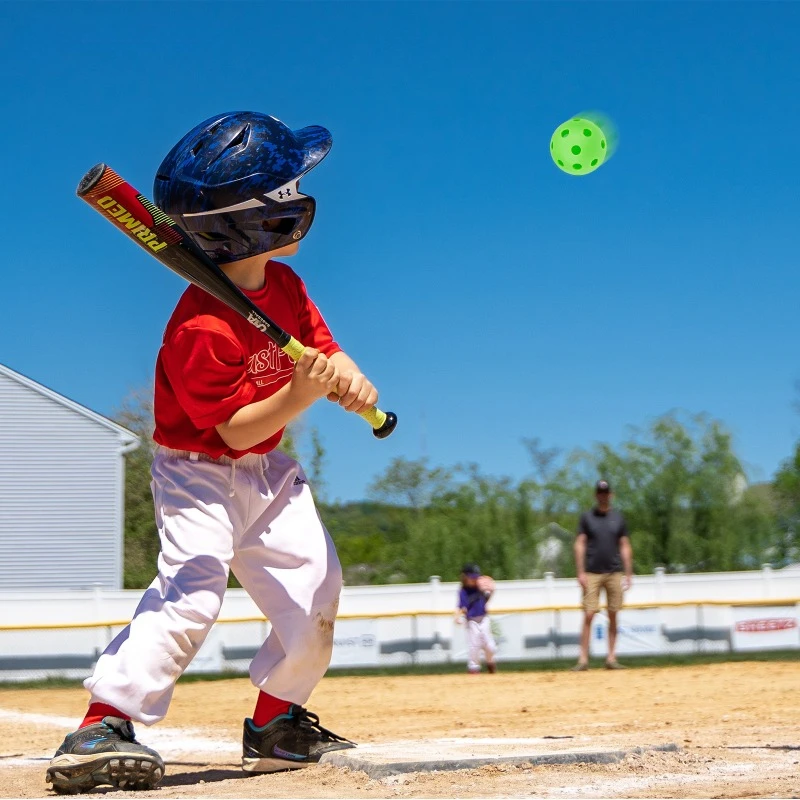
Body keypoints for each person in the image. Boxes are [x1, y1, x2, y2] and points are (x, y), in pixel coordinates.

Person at [46, 112, 381, 793]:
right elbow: (234, 430)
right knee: (194, 590)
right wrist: (301, 395)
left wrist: (345, 372)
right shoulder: (199, 323)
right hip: (196, 474)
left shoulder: (283, 288)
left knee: (317, 588)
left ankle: (276, 720)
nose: (298, 197)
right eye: (286, 191)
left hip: (266, 473)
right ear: (255, 221)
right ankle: (103, 721)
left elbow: (320, 345)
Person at [572, 480, 633, 671]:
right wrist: (580, 571)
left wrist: (628, 572)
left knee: (613, 614)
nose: (603, 496)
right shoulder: (587, 518)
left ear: (611, 495)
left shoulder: (618, 518)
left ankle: (611, 658)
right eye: (600, 492)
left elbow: (624, 545)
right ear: (595, 495)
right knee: (589, 614)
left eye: (606, 493)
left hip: (614, 572)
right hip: (592, 572)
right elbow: (580, 543)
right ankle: (583, 659)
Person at [455, 563, 498, 674]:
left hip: (484, 618)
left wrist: (491, 591)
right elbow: (461, 606)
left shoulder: (480, 588)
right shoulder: (463, 591)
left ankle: (490, 662)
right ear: (465, 577)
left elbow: (486, 599)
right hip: (471, 621)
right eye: (472, 577)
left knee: (490, 646)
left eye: (475, 577)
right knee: (474, 645)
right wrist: (457, 616)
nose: (474, 579)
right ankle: (473, 668)